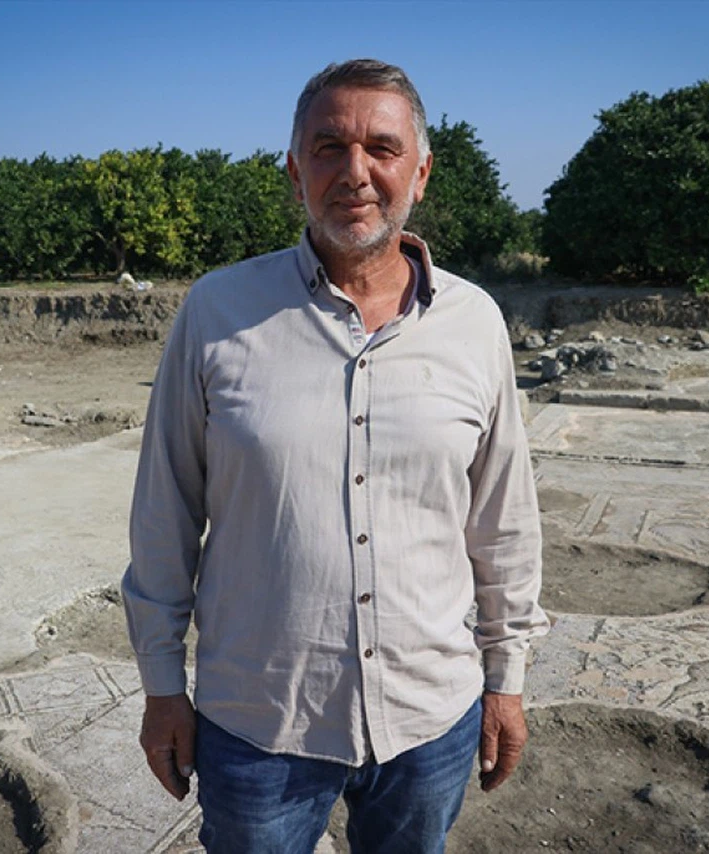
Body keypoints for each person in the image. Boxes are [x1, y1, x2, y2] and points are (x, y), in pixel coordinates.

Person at [122, 58, 550, 853]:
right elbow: (163, 516)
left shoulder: (475, 323)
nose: (355, 172)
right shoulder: (217, 312)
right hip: (260, 725)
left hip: (429, 720)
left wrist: (507, 678)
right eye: (328, 148)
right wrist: (161, 686)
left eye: (382, 148)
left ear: (420, 172)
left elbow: (505, 520)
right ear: (295, 172)